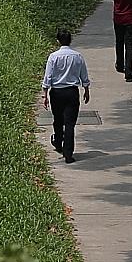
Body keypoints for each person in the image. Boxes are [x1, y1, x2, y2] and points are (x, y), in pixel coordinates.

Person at [41, 30, 90, 163]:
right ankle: (68, 153)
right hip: (72, 92)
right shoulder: (77, 56)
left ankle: (58, 142)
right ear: (70, 40)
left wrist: (45, 94)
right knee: (70, 123)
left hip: (56, 92)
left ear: (58, 41)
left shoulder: (53, 57)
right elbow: (83, 75)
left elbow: (48, 77)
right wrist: (86, 89)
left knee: (57, 119)